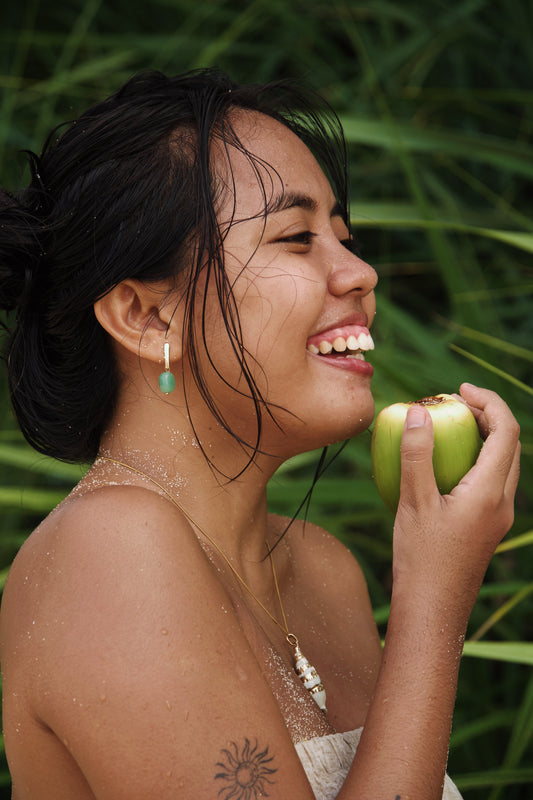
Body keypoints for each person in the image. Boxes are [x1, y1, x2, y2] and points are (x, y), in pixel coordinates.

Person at [0, 69, 520, 800]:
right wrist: (433, 604)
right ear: (148, 318)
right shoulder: (110, 552)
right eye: (295, 237)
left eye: (343, 235)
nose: (360, 273)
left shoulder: (320, 571)